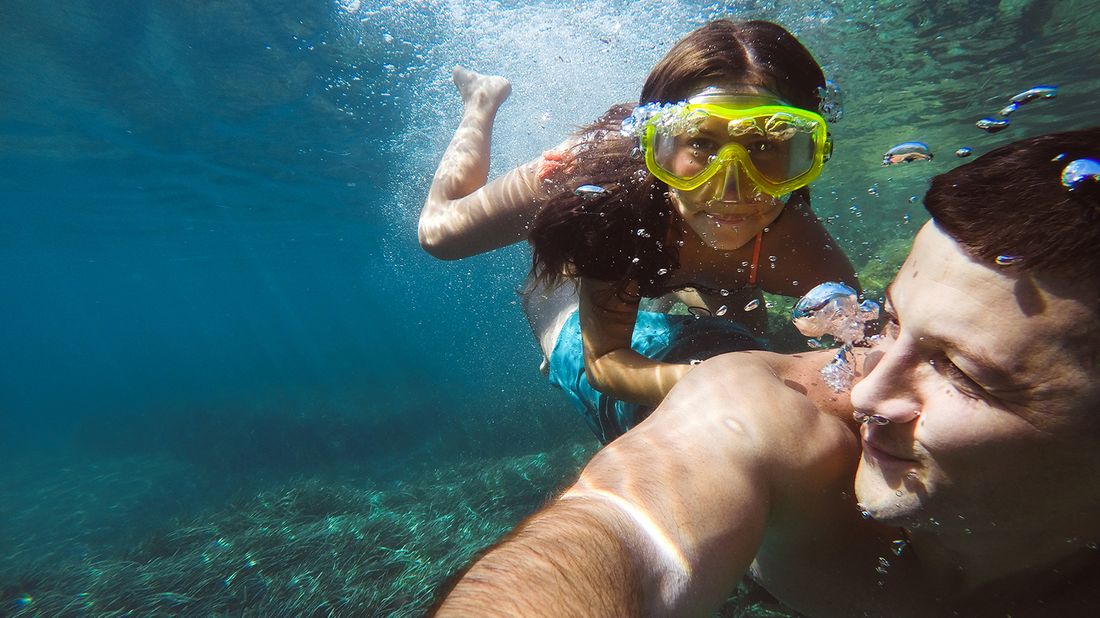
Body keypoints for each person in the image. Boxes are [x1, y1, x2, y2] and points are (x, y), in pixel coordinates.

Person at [432, 127, 1100, 616]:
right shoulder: (771, 416)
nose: (863, 389)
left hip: (717, 337)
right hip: (630, 355)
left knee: (727, 307)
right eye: (888, 322)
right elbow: (621, 532)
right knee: (549, 314)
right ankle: (488, 115)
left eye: (961, 372)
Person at [420, 20, 858, 442]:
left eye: (764, 145)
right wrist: (715, 381)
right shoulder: (612, 207)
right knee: (440, 236)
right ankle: (481, 100)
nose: (731, 187)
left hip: (675, 250)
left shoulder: (803, 249)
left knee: (747, 321)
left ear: (808, 155)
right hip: (593, 172)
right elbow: (606, 363)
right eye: (701, 142)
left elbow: (864, 347)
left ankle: (680, 272)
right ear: (655, 146)